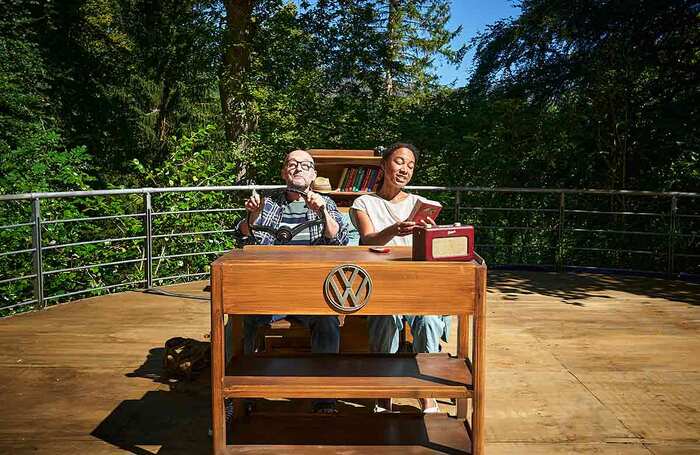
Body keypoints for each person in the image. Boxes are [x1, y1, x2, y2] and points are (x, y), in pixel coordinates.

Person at [234, 149, 349, 413]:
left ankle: (324, 397)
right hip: (272, 290)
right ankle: (239, 393)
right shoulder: (269, 202)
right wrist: (251, 217)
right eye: (292, 164)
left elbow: (338, 241)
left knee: (328, 321)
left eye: (305, 165)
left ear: (313, 174)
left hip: (312, 292)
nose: (298, 168)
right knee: (241, 318)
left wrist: (323, 213)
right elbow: (245, 240)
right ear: (283, 172)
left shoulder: (325, 203)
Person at [350, 142, 448, 413]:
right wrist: (395, 229)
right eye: (399, 162)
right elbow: (367, 240)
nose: (404, 169)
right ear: (383, 165)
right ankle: (385, 390)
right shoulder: (364, 203)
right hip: (381, 282)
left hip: (416, 281)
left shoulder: (420, 204)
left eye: (411, 165)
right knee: (386, 319)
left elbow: (432, 251)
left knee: (429, 320)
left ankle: (427, 391)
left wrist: (431, 234)